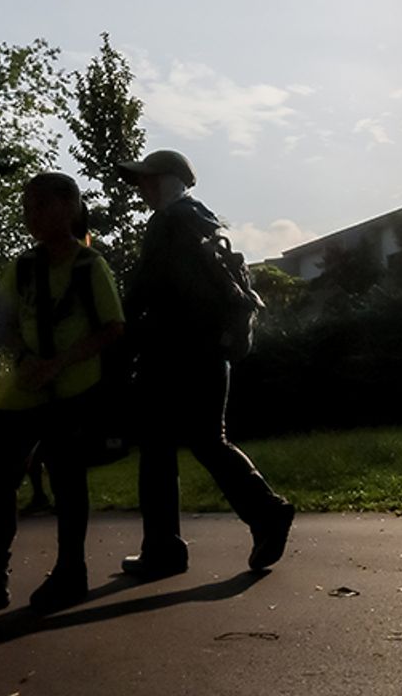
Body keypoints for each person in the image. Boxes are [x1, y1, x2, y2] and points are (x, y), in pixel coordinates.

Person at [0, 172, 124, 616]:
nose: (31, 216)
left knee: (68, 484)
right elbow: (4, 323)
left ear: (69, 206)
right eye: (26, 207)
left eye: (40, 206)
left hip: (73, 393)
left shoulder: (91, 267)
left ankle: (71, 573)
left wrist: (59, 363)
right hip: (20, 394)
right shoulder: (21, 268)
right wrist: (25, 361)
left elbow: (113, 329)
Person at [116, 148, 293, 579]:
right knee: (209, 441)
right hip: (212, 350)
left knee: (157, 447)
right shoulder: (205, 222)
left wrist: (119, 329)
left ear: (168, 180)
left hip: (173, 353)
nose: (140, 187)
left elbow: (144, 288)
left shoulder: (167, 223)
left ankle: (163, 549)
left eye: (147, 178)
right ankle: (266, 513)